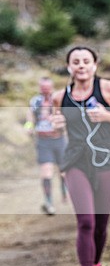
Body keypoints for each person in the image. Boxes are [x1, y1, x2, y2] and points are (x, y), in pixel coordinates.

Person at [51, 46, 110, 266]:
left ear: (95, 65)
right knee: (85, 221)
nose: (81, 66)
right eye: (76, 62)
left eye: (86, 61)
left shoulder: (108, 88)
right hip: (75, 162)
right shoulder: (59, 97)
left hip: (106, 161)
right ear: (69, 67)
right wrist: (55, 125)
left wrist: (106, 115)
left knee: (100, 225)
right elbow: (53, 130)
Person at [26, 77, 68, 215]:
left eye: (47, 87)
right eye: (42, 87)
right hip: (43, 141)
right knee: (46, 172)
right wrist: (29, 127)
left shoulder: (59, 100)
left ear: (52, 87)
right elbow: (30, 118)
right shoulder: (35, 101)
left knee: (63, 171)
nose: (45, 90)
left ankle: (65, 192)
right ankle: (49, 203)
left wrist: (61, 124)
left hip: (59, 139)